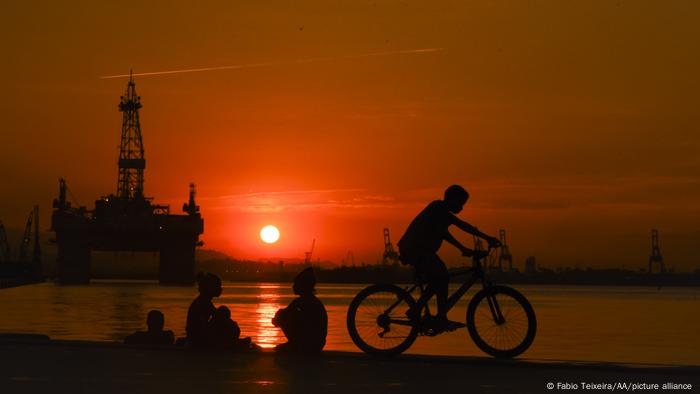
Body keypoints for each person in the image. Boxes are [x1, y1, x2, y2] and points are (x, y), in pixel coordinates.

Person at [398, 184, 501, 333]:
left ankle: (419, 310)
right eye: (460, 203)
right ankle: (439, 317)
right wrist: (463, 248)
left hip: (422, 251)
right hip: (414, 250)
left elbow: (464, 226)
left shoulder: (444, 212)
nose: (461, 208)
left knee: (438, 279)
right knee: (442, 276)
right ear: (451, 199)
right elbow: (443, 233)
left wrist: (486, 238)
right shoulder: (437, 208)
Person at [272, 267, 327, 354]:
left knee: (282, 315)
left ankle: (295, 344)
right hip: (318, 344)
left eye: (296, 284)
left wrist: (278, 319)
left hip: (310, 345)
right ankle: (296, 344)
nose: (293, 286)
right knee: (285, 314)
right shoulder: (313, 301)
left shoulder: (303, 302)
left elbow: (282, 315)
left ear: (303, 286)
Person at [185, 272, 222, 347]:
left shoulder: (203, 300)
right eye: (217, 286)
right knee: (223, 311)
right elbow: (218, 316)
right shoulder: (203, 302)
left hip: (196, 335)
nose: (220, 289)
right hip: (198, 338)